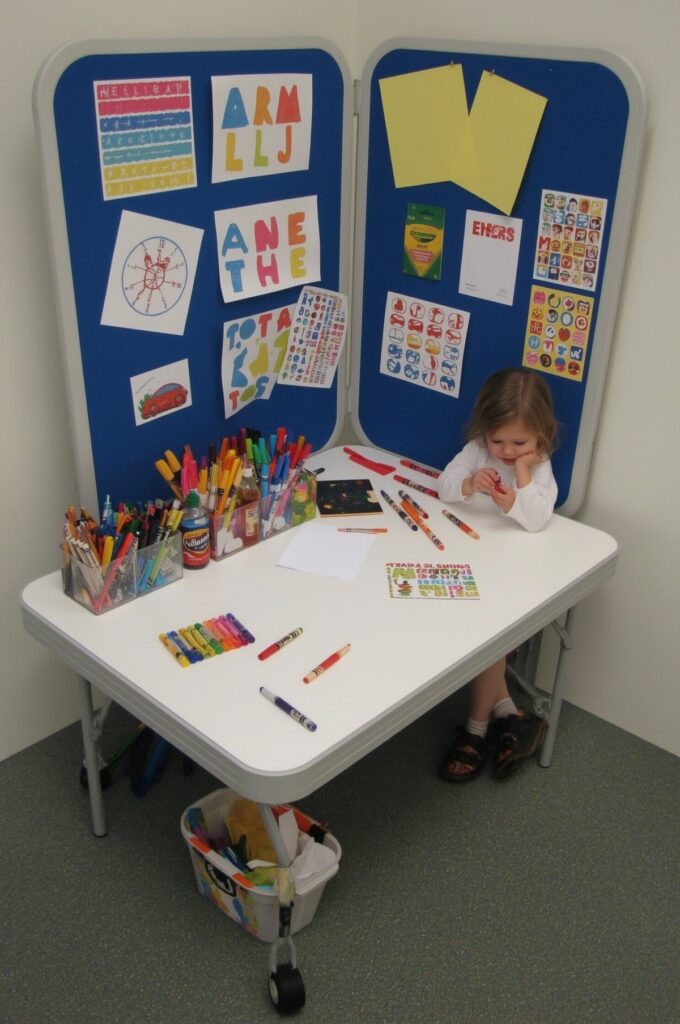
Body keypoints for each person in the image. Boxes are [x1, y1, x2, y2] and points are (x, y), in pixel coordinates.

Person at [437, 367, 559, 781]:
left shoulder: (537, 466)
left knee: (486, 640)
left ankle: (476, 729)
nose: (506, 451)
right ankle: (510, 712)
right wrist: (470, 483)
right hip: (471, 554)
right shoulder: (477, 450)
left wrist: (521, 483)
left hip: (511, 573)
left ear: (539, 435)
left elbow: (539, 519)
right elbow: (445, 485)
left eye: (519, 443)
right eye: (498, 440)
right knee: (479, 636)